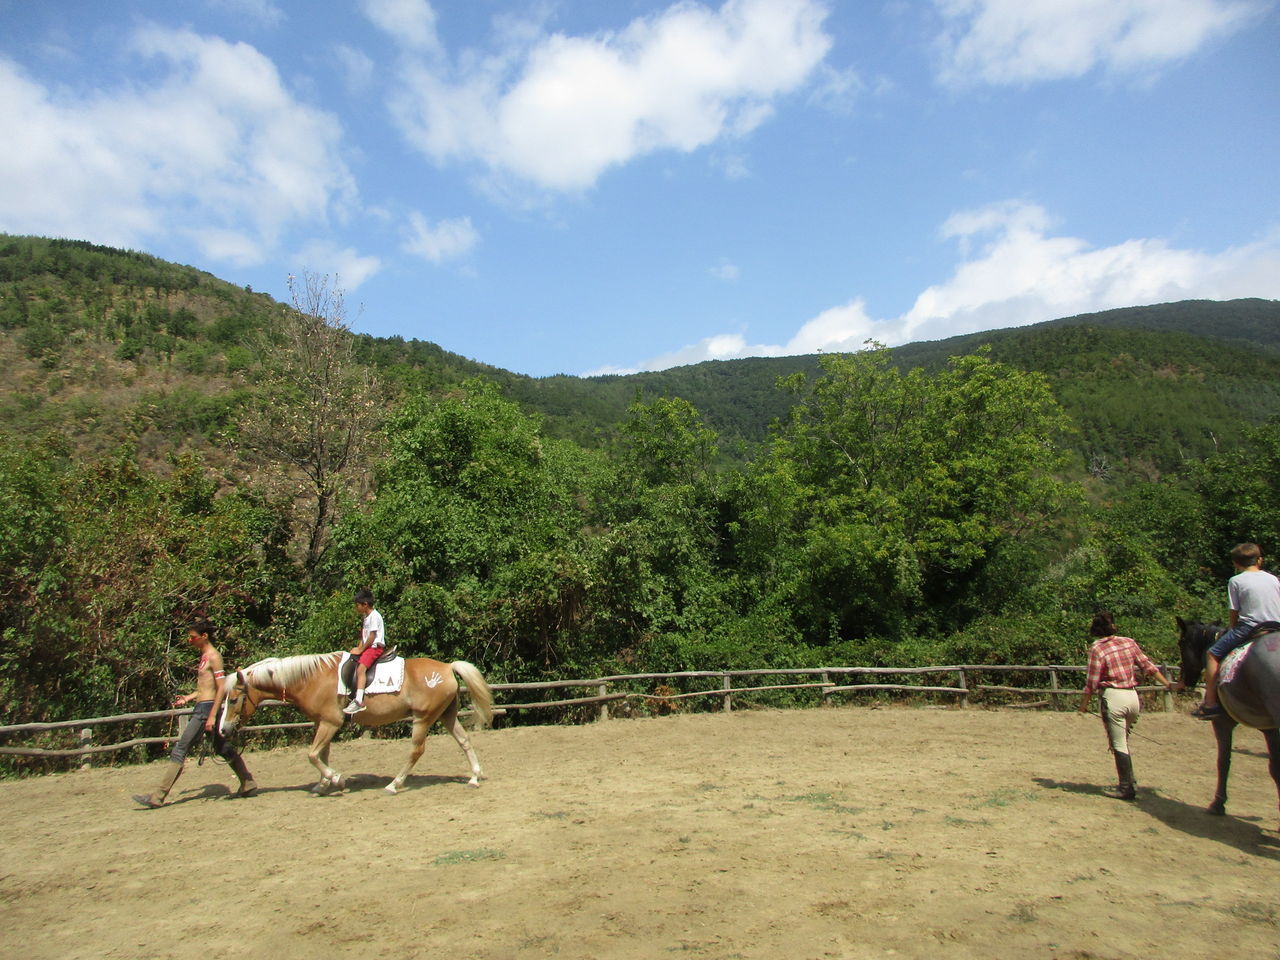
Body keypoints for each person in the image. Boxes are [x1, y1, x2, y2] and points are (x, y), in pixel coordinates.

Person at [133, 620, 258, 808]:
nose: (190, 640)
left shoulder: (214, 657)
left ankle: (158, 796)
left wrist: (212, 716)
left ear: (204, 636)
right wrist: (189, 697)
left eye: (193, 637)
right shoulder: (205, 656)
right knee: (222, 747)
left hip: (206, 709)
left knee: (181, 748)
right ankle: (247, 782)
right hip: (203, 706)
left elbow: (221, 687)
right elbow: (205, 686)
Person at [1077, 611, 1174, 801]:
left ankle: (1126, 787)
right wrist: (1167, 684)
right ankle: (1130, 781)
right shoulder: (1129, 642)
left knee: (1118, 743)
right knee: (1123, 740)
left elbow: (1091, 683)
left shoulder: (1097, 648)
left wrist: (1083, 706)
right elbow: (1148, 666)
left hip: (1114, 698)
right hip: (1133, 698)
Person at [1188, 543, 1280, 719]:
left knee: (1212, 654)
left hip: (1250, 627)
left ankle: (1210, 703)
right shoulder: (1273, 579)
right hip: (1276, 626)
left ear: (1236, 564)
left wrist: (1232, 628)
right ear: (1259, 560)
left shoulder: (1236, 581)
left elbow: (1234, 611)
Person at [343, 589, 386, 715]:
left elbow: (372, 636)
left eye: (358, 605)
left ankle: (359, 701)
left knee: (361, 669)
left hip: (374, 648)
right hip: (367, 647)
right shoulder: (366, 617)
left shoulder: (374, 616)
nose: (356, 608)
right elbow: (364, 637)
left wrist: (361, 649)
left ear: (365, 604)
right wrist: (358, 648)